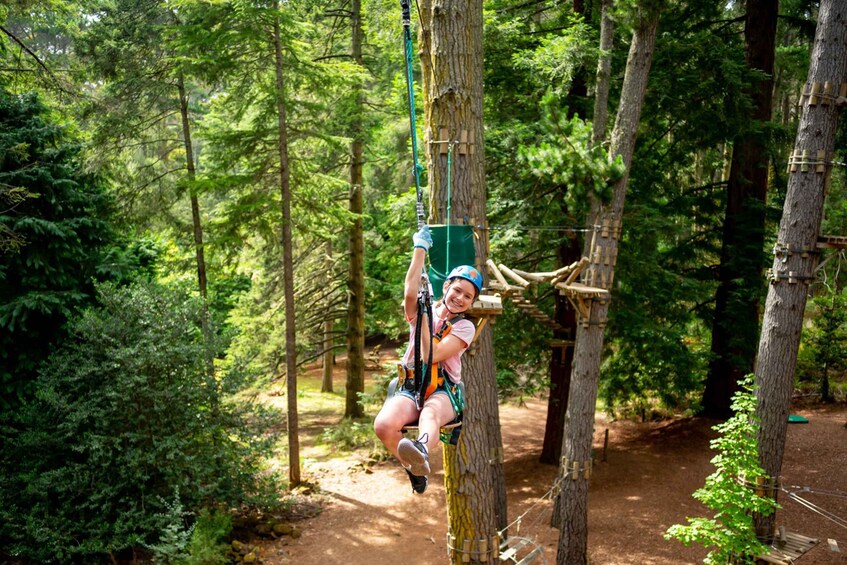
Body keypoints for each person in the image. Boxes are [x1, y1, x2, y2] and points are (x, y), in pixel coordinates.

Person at [373, 225, 483, 494]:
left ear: (471, 303)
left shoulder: (465, 327)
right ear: (446, 286)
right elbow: (409, 294)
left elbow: (431, 354)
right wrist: (420, 249)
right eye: (457, 290)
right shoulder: (425, 307)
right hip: (411, 384)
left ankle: (421, 449)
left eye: (468, 297)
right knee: (384, 426)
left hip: (443, 389)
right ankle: (414, 467)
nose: (460, 298)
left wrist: (426, 318)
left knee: (431, 413)